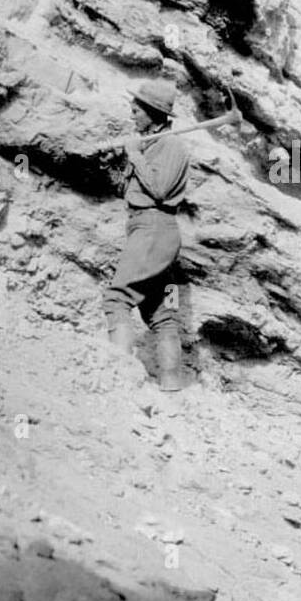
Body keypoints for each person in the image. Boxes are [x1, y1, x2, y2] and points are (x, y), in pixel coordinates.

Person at [102, 79, 189, 391]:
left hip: (155, 228)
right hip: (147, 229)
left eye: (138, 109)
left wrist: (135, 155)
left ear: (154, 113)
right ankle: (172, 386)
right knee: (159, 313)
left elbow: (160, 190)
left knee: (117, 297)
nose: (132, 113)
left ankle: (118, 376)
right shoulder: (152, 144)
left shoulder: (172, 145)